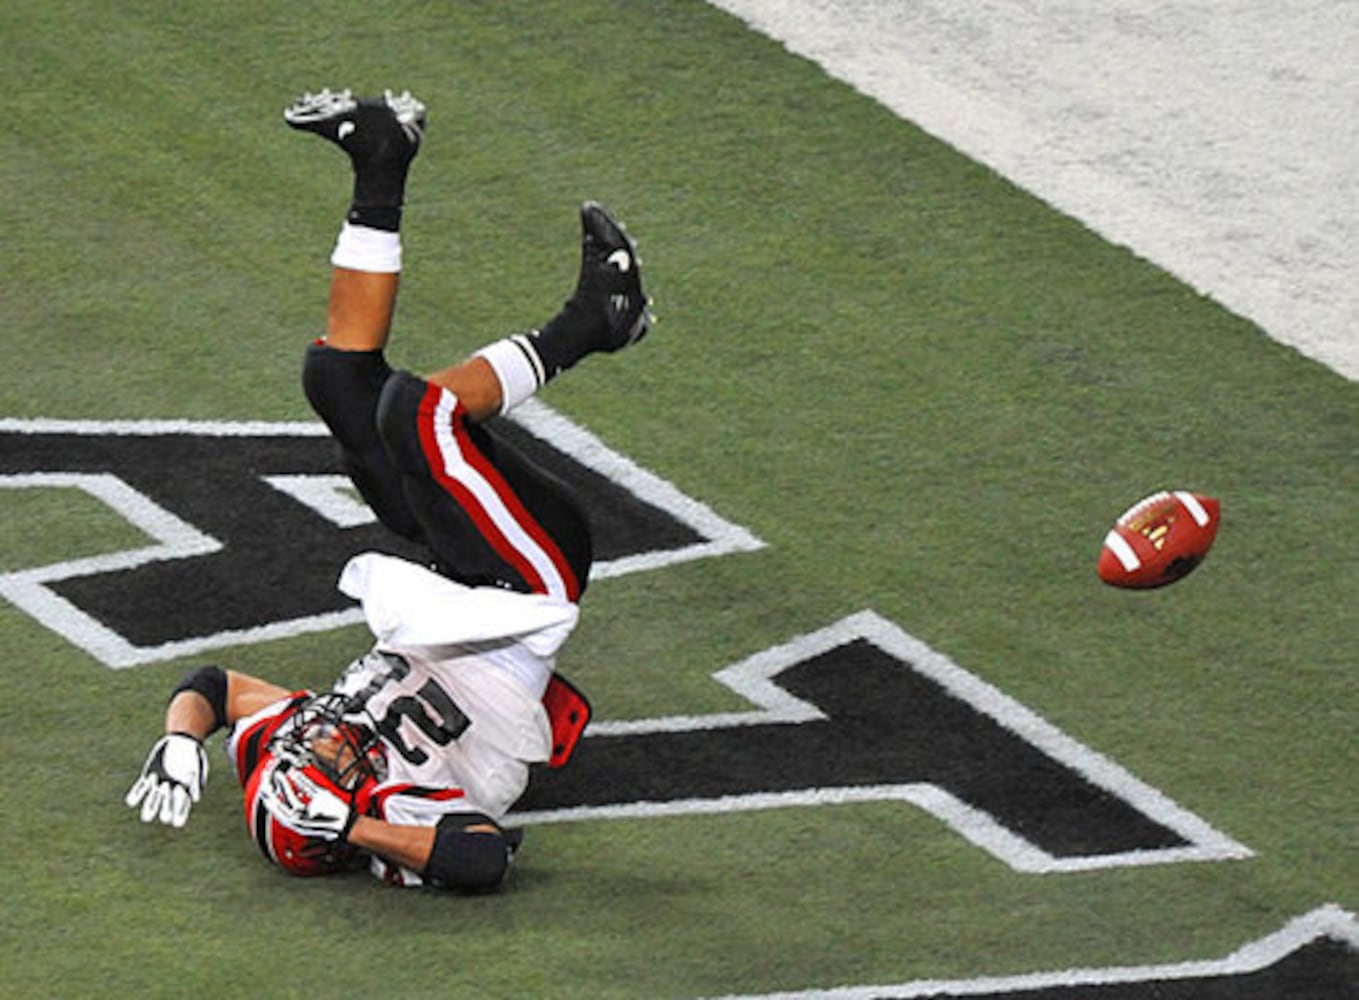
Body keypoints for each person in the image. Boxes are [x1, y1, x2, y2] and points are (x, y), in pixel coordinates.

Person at [124, 87, 652, 891]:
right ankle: (591, 322)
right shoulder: (395, 811)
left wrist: (180, 739)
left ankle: (382, 159)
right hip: (526, 583)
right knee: (417, 411)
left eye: (308, 748)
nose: (323, 735)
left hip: (458, 577)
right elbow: (483, 859)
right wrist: (352, 822)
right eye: (326, 764)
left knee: (338, 380)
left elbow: (216, 687)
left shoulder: (293, 750)